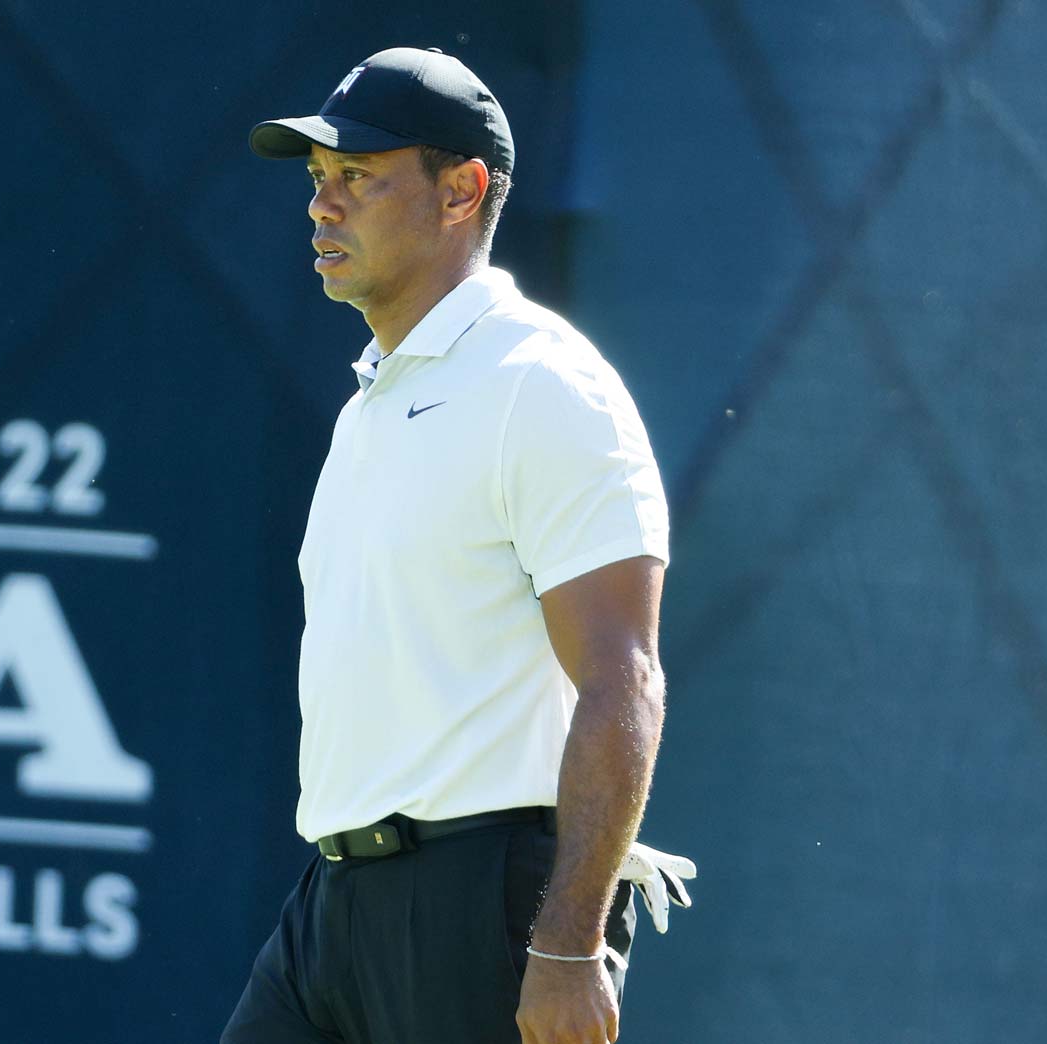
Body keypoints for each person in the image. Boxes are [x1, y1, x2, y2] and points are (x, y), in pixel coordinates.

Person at [224, 47, 684, 1044]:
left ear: (459, 191)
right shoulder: (371, 405)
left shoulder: (542, 383)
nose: (320, 206)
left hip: (483, 910)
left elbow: (623, 674)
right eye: (316, 180)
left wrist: (566, 944)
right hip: (333, 910)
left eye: (355, 177)